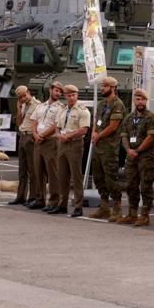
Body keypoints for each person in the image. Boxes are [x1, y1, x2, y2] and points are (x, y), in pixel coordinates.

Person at [50, 84, 90, 217]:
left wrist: (68, 136)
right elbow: (57, 125)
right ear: (65, 96)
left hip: (75, 144)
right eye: (68, 95)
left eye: (73, 95)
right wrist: (58, 134)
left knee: (76, 176)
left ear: (77, 95)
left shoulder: (82, 110)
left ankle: (78, 206)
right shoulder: (62, 109)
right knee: (62, 176)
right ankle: (62, 205)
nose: (71, 97)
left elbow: (83, 129)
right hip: (62, 143)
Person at [90, 77, 125, 220]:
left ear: (113, 87)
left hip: (109, 147)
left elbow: (113, 126)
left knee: (111, 178)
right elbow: (96, 121)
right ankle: (104, 207)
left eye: (105, 86)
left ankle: (117, 207)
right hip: (98, 147)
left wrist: (98, 136)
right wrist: (93, 132)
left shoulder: (118, 104)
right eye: (102, 86)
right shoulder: (102, 103)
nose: (102, 88)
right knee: (98, 177)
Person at [121, 88, 154, 225]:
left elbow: (151, 136)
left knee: (146, 186)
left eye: (142, 99)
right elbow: (124, 135)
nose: (140, 102)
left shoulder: (150, 117)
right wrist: (128, 150)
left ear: (146, 101)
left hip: (146, 156)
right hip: (131, 155)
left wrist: (138, 149)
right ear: (134, 101)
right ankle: (132, 213)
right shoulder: (129, 118)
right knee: (131, 184)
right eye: (138, 99)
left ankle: (145, 215)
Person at [29, 83, 63, 210]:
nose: (57, 93)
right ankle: (39, 199)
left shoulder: (60, 107)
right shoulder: (40, 106)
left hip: (50, 141)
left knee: (52, 172)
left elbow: (56, 125)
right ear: (50, 90)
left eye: (60, 92)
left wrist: (42, 135)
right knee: (38, 171)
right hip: (38, 141)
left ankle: (54, 200)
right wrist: (35, 134)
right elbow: (34, 121)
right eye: (56, 90)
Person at [9, 85, 41, 205]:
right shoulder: (23, 106)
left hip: (30, 137)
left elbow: (38, 122)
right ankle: (20, 196)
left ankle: (32, 196)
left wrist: (34, 135)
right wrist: (18, 109)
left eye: (24, 95)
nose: (23, 98)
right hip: (22, 135)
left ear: (28, 92)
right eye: (20, 97)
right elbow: (18, 123)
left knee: (32, 169)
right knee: (22, 170)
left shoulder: (37, 105)